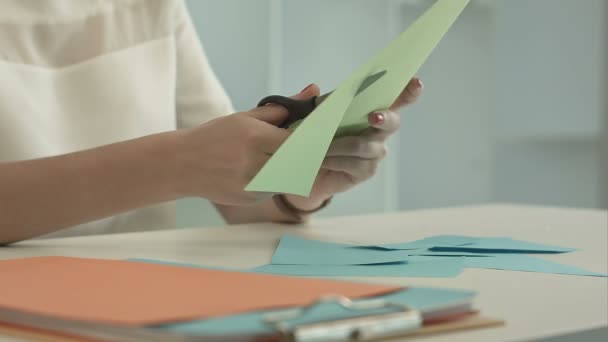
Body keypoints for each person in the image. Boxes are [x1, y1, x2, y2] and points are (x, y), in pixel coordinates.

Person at [0, 0, 422, 244]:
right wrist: (176, 164)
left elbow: (239, 201)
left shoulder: (152, 6)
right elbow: (197, 162)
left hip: (138, 304)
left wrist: (296, 185)